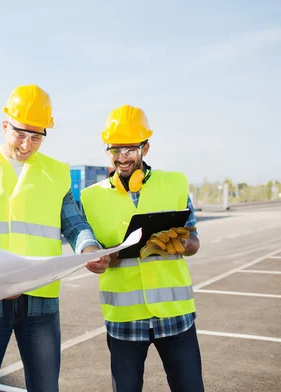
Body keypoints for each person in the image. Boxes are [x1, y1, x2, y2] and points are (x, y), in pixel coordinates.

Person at [0, 84, 109, 392]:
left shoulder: (56, 173)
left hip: (41, 301)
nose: (27, 144)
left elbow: (74, 223)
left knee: (45, 387)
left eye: (37, 137)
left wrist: (89, 246)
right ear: (5, 125)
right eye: (20, 134)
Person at [80, 104, 203, 392]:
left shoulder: (174, 184)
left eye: (129, 150)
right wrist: (97, 258)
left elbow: (195, 241)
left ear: (145, 148)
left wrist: (180, 244)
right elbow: (89, 248)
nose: (121, 158)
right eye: (114, 150)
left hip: (176, 316)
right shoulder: (91, 198)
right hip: (124, 321)